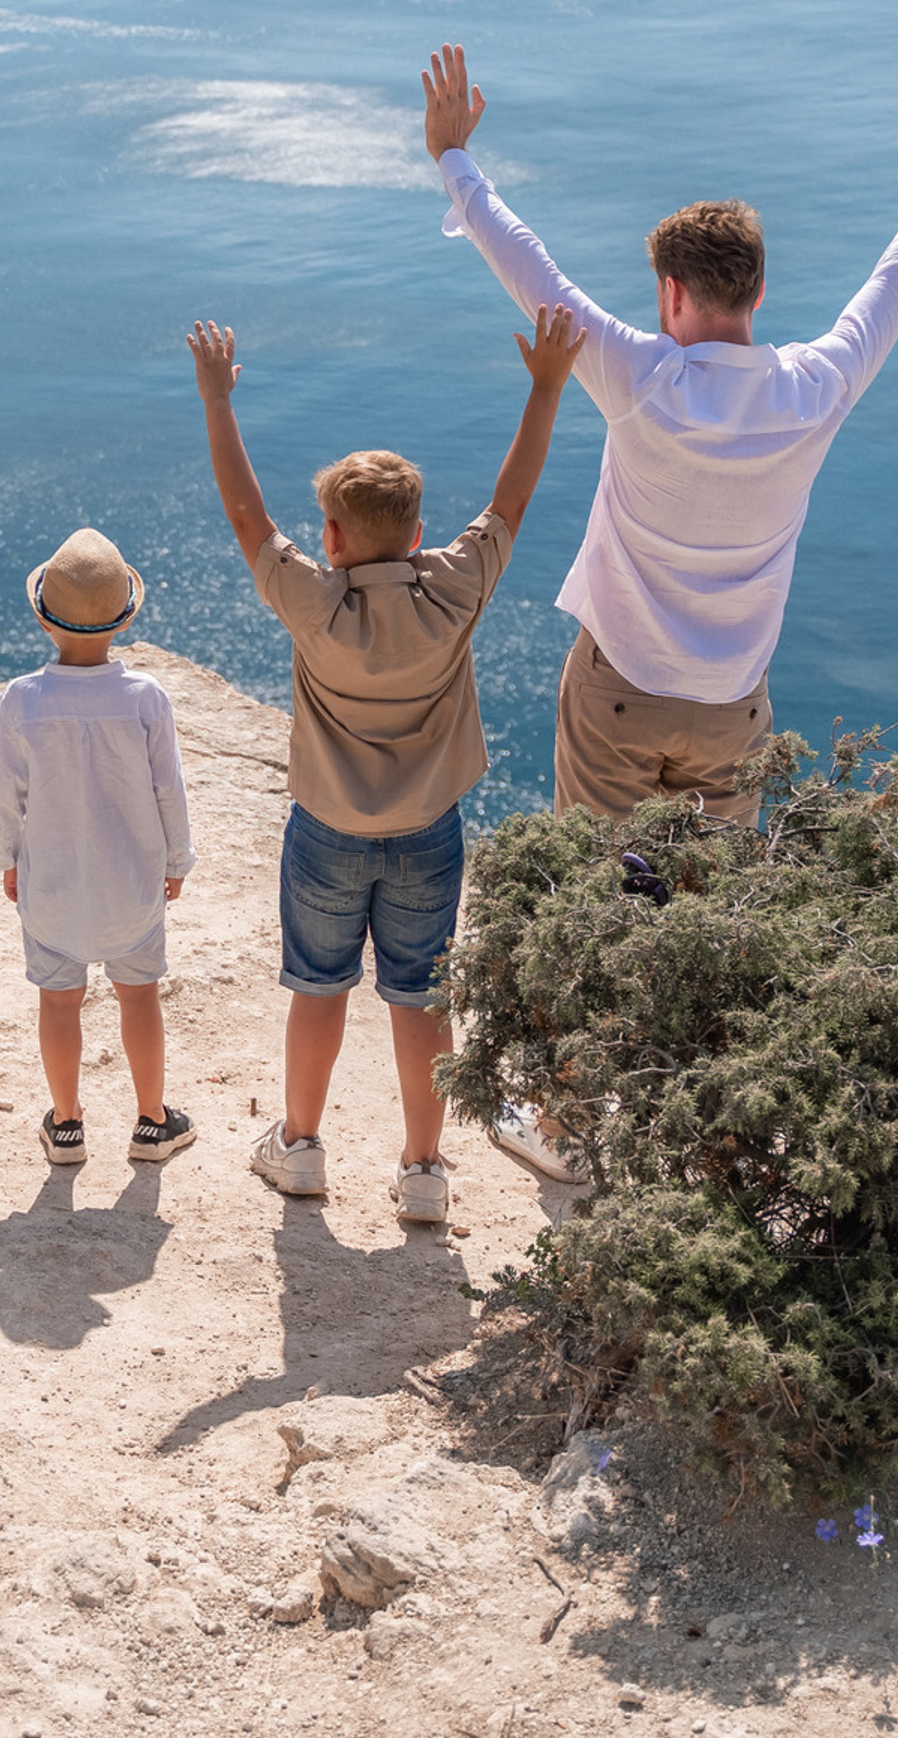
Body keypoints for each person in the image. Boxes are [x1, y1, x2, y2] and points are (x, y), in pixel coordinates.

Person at [421, 43, 898, 1186]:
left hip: (616, 694)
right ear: (751, 294)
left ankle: (572, 1124)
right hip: (733, 711)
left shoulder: (638, 376)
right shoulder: (813, 386)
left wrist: (454, 156)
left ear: (672, 296)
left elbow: (527, 268)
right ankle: (694, 1126)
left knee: (593, 896)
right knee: (707, 914)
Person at [188, 303, 586, 1227]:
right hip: (428, 836)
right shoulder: (454, 588)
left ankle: (298, 1148)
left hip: (326, 832)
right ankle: (422, 1169)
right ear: (416, 534)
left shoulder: (312, 601)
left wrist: (218, 402)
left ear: (328, 536)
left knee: (317, 989)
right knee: (420, 999)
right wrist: (546, 386)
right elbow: (513, 499)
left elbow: (246, 513)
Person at [0, 527, 197, 1173]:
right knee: (139, 997)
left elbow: (4, 794)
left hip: (52, 887)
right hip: (132, 886)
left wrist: (7, 860)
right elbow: (170, 790)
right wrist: (177, 862)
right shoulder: (145, 698)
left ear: (45, 619)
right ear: (125, 618)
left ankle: (67, 1125)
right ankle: (153, 1122)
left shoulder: (24, 699)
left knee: (58, 1002)